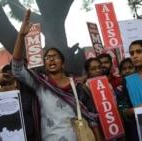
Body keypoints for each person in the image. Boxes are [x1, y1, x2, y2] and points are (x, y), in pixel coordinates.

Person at [12, 9, 104, 140]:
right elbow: (17, 69)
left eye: (55, 56)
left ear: (63, 64)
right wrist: (21, 36)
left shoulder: (76, 85)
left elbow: (91, 115)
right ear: (45, 65)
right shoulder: (40, 84)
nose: (51, 59)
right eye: (47, 57)